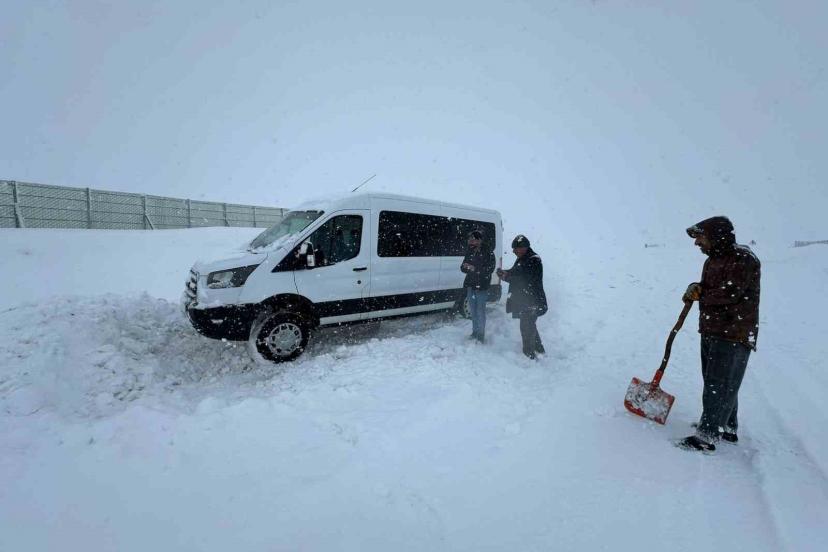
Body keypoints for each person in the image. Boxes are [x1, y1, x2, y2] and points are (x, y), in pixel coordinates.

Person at [678, 216, 761, 452]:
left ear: (716, 236)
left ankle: (707, 436)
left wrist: (701, 295)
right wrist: (697, 288)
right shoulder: (713, 260)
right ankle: (726, 427)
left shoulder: (742, 258)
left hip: (733, 332)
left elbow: (730, 293)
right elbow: (713, 288)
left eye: (700, 238)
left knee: (719, 383)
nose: (697, 244)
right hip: (713, 328)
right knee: (719, 381)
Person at [497, 235, 548, 359]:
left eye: (516, 249)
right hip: (526, 300)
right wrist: (506, 272)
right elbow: (516, 271)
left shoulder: (533, 260)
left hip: (532, 300)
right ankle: (539, 349)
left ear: (524, 247)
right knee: (530, 325)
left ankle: (529, 355)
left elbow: (524, 280)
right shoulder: (523, 259)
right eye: (513, 249)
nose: (514, 251)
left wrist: (506, 277)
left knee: (526, 327)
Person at [460, 230, 496, 343]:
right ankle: (474, 331)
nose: (471, 241)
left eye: (474, 239)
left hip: (481, 286)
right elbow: (462, 267)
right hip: (470, 285)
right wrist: (466, 267)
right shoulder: (469, 251)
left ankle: (481, 334)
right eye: (470, 239)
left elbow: (489, 269)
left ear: (480, 240)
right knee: (473, 310)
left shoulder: (488, 252)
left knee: (480, 311)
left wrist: (474, 269)